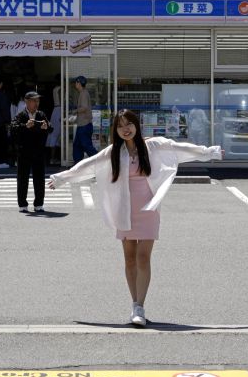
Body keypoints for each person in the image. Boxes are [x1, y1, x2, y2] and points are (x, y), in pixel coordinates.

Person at [48, 109, 223, 327]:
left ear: (136, 125)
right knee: (129, 258)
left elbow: (179, 148)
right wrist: (61, 178)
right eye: (120, 126)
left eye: (129, 124)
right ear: (116, 130)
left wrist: (210, 151)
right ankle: (135, 305)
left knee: (143, 257)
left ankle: (140, 304)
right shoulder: (114, 152)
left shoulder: (152, 145)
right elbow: (89, 164)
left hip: (148, 209)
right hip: (125, 209)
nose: (125, 129)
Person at [11, 91, 53, 213]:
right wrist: (25, 126)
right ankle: (22, 204)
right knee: (22, 178)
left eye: (38, 101)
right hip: (24, 151)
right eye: (34, 101)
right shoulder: (21, 115)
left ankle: (39, 204)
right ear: (27, 101)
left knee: (39, 178)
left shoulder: (41, 114)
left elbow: (50, 127)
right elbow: (13, 129)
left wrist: (47, 127)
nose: (36, 103)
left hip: (39, 151)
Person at [72, 75, 97, 163]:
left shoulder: (83, 93)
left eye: (76, 82)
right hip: (82, 124)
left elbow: (84, 107)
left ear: (79, 83)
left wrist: (75, 111)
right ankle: (77, 165)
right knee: (77, 146)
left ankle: (98, 161)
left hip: (84, 125)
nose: (75, 84)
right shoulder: (83, 93)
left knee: (86, 146)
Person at [46, 82, 62, 164]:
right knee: (58, 134)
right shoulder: (60, 88)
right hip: (60, 110)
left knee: (54, 134)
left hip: (55, 110)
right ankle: (54, 158)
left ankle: (53, 158)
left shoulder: (55, 88)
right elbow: (61, 99)